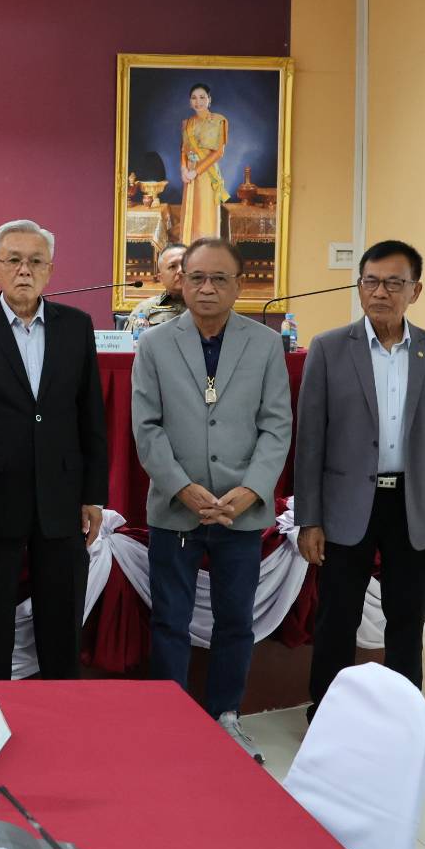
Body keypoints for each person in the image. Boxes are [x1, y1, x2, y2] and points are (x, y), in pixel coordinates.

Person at [131, 237, 291, 761]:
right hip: (176, 506)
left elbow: (276, 426)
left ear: (239, 286)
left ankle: (227, 716)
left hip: (241, 509)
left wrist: (251, 489)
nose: (206, 288)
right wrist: (181, 486)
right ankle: (168, 719)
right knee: (169, 620)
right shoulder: (155, 344)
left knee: (235, 621)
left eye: (219, 278)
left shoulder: (265, 345)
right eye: (196, 277)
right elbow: (147, 427)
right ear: (181, 282)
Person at [295, 240, 425, 718]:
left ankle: (401, 718)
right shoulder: (330, 348)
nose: (380, 292)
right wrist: (309, 518)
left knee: (407, 619)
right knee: (337, 616)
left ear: (415, 290)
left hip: (411, 505)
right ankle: (327, 713)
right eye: (370, 282)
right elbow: (309, 442)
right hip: (346, 503)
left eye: (394, 283)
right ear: (359, 287)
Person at [0, 220, 107, 680]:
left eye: (35, 261)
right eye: (13, 260)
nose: (24, 270)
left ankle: (62, 715)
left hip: (61, 496)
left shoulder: (76, 327)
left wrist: (93, 494)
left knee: (62, 627)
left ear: (50, 270)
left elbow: (90, 414)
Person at [179, 83, 229, 243]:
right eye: (194, 98)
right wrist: (183, 169)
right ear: (190, 102)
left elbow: (219, 152)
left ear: (209, 99)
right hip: (189, 175)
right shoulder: (186, 123)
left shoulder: (219, 121)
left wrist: (196, 171)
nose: (198, 101)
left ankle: (208, 253)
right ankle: (190, 252)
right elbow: (183, 149)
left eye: (202, 97)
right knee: (191, 215)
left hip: (207, 174)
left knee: (205, 216)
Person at [127, 243, 187, 328]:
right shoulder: (145, 309)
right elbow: (131, 336)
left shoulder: (204, 306)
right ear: (161, 278)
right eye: (173, 266)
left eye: (185, 265)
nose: (180, 270)